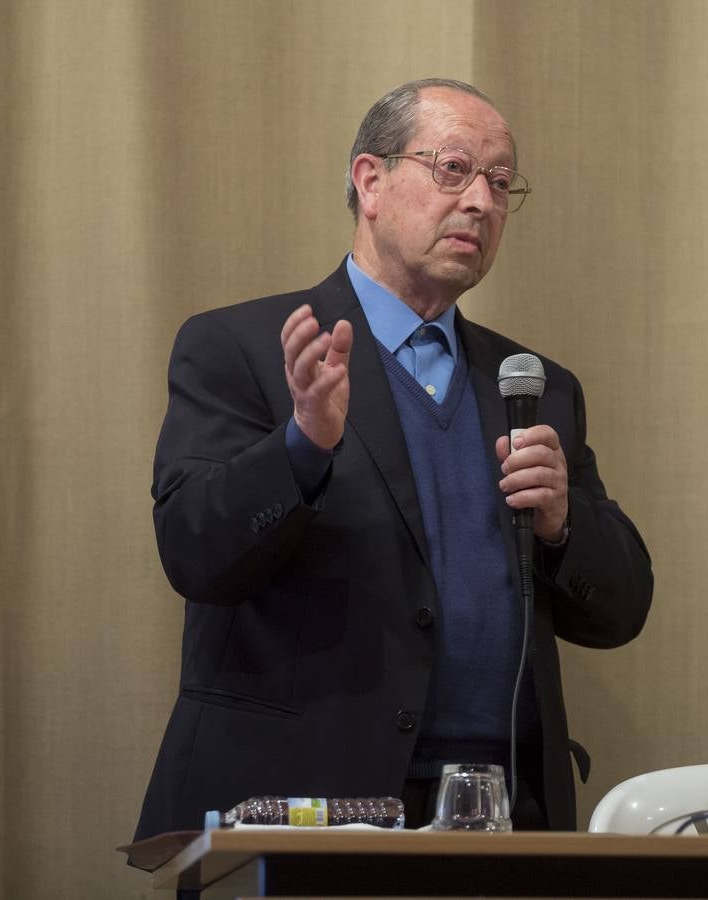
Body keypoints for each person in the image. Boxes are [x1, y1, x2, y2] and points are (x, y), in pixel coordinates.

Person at [134, 79, 653, 839]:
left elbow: (619, 611)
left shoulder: (535, 387)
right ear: (369, 181)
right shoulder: (243, 347)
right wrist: (301, 447)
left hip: (502, 810)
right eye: (452, 169)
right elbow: (195, 554)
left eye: (500, 183)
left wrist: (562, 525)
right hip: (298, 801)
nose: (480, 201)